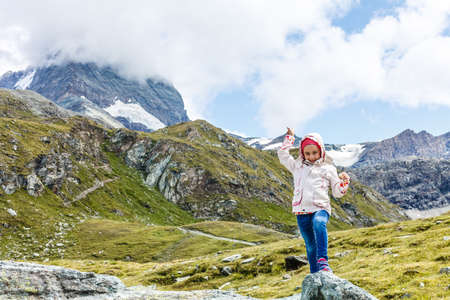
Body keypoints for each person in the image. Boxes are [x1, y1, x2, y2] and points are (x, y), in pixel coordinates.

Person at [277, 127, 350, 273]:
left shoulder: (328, 168)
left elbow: (337, 193)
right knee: (310, 246)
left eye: (315, 153)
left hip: (320, 208)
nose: (311, 156)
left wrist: (344, 183)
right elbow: (282, 155)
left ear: (321, 151)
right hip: (301, 211)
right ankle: (315, 274)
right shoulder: (297, 166)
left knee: (319, 223)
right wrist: (289, 139)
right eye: (307, 153)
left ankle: (323, 261)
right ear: (302, 153)